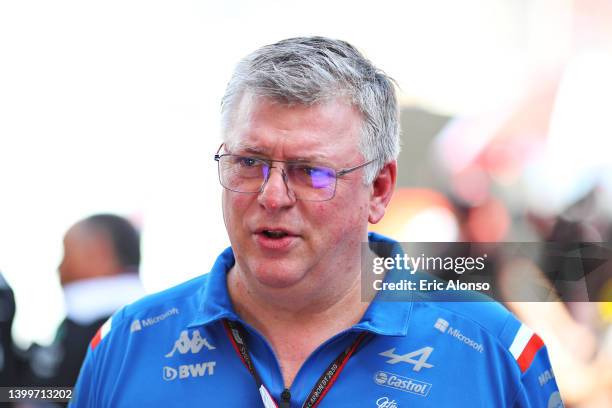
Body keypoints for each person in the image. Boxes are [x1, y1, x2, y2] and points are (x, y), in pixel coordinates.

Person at [70, 37, 561, 407]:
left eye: (310, 172)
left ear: (379, 189)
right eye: (248, 162)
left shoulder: (492, 352)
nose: (272, 195)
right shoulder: (127, 344)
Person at [24, 214, 144, 389]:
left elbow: (62, 393)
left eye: (67, 253)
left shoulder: (93, 323)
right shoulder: (160, 320)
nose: (60, 268)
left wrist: (10, 394)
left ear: (98, 251)